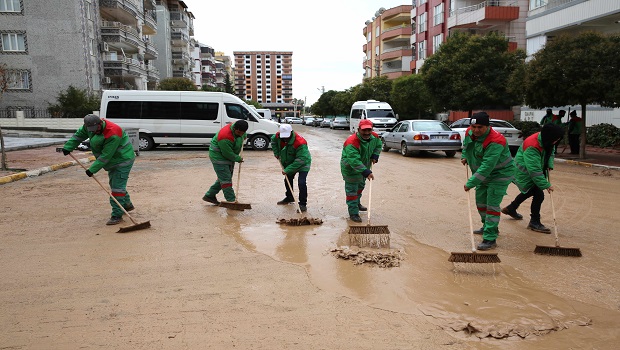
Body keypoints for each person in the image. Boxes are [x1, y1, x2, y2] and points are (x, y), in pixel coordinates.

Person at [60, 114, 136, 225]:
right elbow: (78, 136)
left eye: (95, 129)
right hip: (112, 160)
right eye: (91, 130)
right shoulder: (89, 126)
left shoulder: (113, 133)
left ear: (100, 123)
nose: (94, 132)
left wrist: (92, 169)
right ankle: (127, 205)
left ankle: (117, 215)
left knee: (117, 188)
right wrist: (68, 147)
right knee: (116, 184)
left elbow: (106, 155)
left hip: (123, 160)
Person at [461, 112, 515, 251]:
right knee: (480, 203)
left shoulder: (496, 141)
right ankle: (488, 226)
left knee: (491, 205)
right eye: (474, 127)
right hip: (482, 175)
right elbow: (467, 146)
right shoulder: (469, 132)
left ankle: (490, 238)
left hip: (500, 174)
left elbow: (487, 166)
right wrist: (464, 156)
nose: (476, 130)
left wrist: (470, 183)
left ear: (487, 126)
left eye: (480, 127)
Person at [501, 124, 565, 233]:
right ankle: (534, 222)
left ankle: (511, 208)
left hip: (533, 171)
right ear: (549, 137)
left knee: (529, 192)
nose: (556, 142)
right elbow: (534, 171)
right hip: (523, 173)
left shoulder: (548, 140)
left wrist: (549, 164)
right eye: (555, 139)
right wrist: (546, 185)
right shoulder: (532, 146)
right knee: (539, 194)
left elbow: (551, 152)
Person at [340, 119, 382, 222]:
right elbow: (354, 161)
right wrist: (367, 172)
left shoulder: (375, 137)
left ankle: (357, 203)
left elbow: (378, 145)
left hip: (364, 167)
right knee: (352, 192)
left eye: (369, 130)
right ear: (358, 130)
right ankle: (353, 213)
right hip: (350, 169)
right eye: (364, 130)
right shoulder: (352, 142)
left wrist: (375, 155)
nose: (367, 133)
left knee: (360, 187)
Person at [202, 120, 248, 204]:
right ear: (235, 129)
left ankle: (209, 196)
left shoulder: (240, 130)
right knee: (226, 180)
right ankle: (231, 201)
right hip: (219, 158)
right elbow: (227, 153)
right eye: (239, 133)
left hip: (229, 157)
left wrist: (244, 136)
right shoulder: (225, 136)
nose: (241, 134)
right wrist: (238, 158)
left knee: (223, 178)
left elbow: (243, 135)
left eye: (243, 133)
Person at [271, 124, 312, 212]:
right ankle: (290, 197)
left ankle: (302, 204)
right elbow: (273, 142)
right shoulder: (278, 136)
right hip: (289, 161)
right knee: (287, 180)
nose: (285, 139)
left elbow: (301, 159)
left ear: (291, 132)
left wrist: (287, 169)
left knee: (301, 182)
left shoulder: (300, 142)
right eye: (283, 137)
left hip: (303, 162)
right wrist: (276, 153)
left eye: (287, 137)